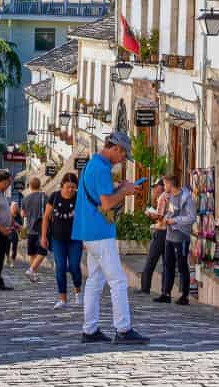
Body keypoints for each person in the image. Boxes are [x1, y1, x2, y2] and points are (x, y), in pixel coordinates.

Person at [75, 130, 148, 345]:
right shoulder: (101, 169)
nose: (123, 159)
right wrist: (124, 191)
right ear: (115, 148)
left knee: (95, 282)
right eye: (123, 155)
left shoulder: (94, 165)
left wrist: (120, 188)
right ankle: (123, 329)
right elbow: (106, 203)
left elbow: (101, 197)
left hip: (90, 230)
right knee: (118, 280)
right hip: (100, 232)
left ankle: (90, 329)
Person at [42, 172, 84, 308]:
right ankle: (63, 298)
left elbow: (84, 218)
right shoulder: (54, 197)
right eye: (68, 187)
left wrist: (85, 238)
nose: (71, 190)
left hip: (75, 239)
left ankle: (78, 293)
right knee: (60, 268)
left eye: (73, 187)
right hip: (57, 239)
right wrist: (43, 236)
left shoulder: (78, 198)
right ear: (62, 186)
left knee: (74, 267)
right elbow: (46, 218)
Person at [154, 174, 195, 305]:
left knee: (182, 266)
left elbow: (191, 217)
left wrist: (174, 220)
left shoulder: (186, 198)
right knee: (168, 265)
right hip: (169, 235)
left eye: (165, 184)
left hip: (181, 236)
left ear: (171, 185)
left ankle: (184, 296)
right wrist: (163, 218)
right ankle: (166, 293)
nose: (163, 187)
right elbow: (171, 212)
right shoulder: (169, 196)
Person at [136, 182, 171, 295]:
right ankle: (165, 292)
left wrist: (150, 214)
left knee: (151, 261)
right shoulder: (173, 196)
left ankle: (145, 288)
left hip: (161, 232)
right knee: (167, 264)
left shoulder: (163, 197)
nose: (154, 190)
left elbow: (160, 217)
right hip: (170, 232)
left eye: (156, 187)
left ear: (161, 187)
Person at [20, 177, 49, 279]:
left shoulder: (25, 199)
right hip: (41, 229)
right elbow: (48, 211)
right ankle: (31, 271)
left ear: (30, 186)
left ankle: (33, 272)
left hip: (30, 229)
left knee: (32, 253)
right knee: (42, 252)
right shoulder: (44, 197)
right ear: (40, 185)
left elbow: (23, 214)